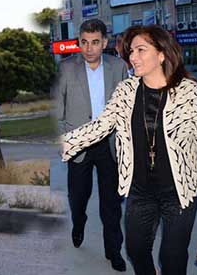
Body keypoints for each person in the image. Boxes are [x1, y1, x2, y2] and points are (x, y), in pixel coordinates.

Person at [61, 25, 197, 275]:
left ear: (161, 54)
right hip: (140, 191)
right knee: (137, 250)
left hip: (179, 191)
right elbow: (101, 126)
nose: (133, 56)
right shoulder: (126, 91)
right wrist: (63, 143)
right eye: (131, 51)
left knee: (172, 258)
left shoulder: (187, 91)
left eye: (141, 50)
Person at [53, 18, 128, 272]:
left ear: (104, 43)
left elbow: (126, 108)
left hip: (109, 145)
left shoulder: (118, 67)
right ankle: (79, 222)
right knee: (78, 197)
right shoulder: (66, 68)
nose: (89, 48)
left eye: (95, 42)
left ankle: (113, 251)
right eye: (84, 42)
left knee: (111, 204)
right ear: (79, 43)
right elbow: (58, 109)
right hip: (79, 145)